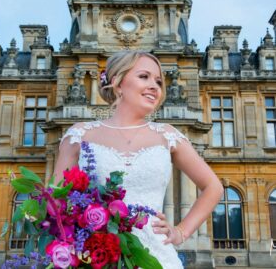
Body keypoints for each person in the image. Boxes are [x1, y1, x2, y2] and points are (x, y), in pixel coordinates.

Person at [55, 50, 223, 269]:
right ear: (117, 82)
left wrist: (181, 232)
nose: (155, 86)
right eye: (144, 76)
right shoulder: (79, 135)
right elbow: (54, 201)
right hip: (97, 255)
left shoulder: (168, 135)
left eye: (159, 81)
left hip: (157, 256)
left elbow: (213, 187)